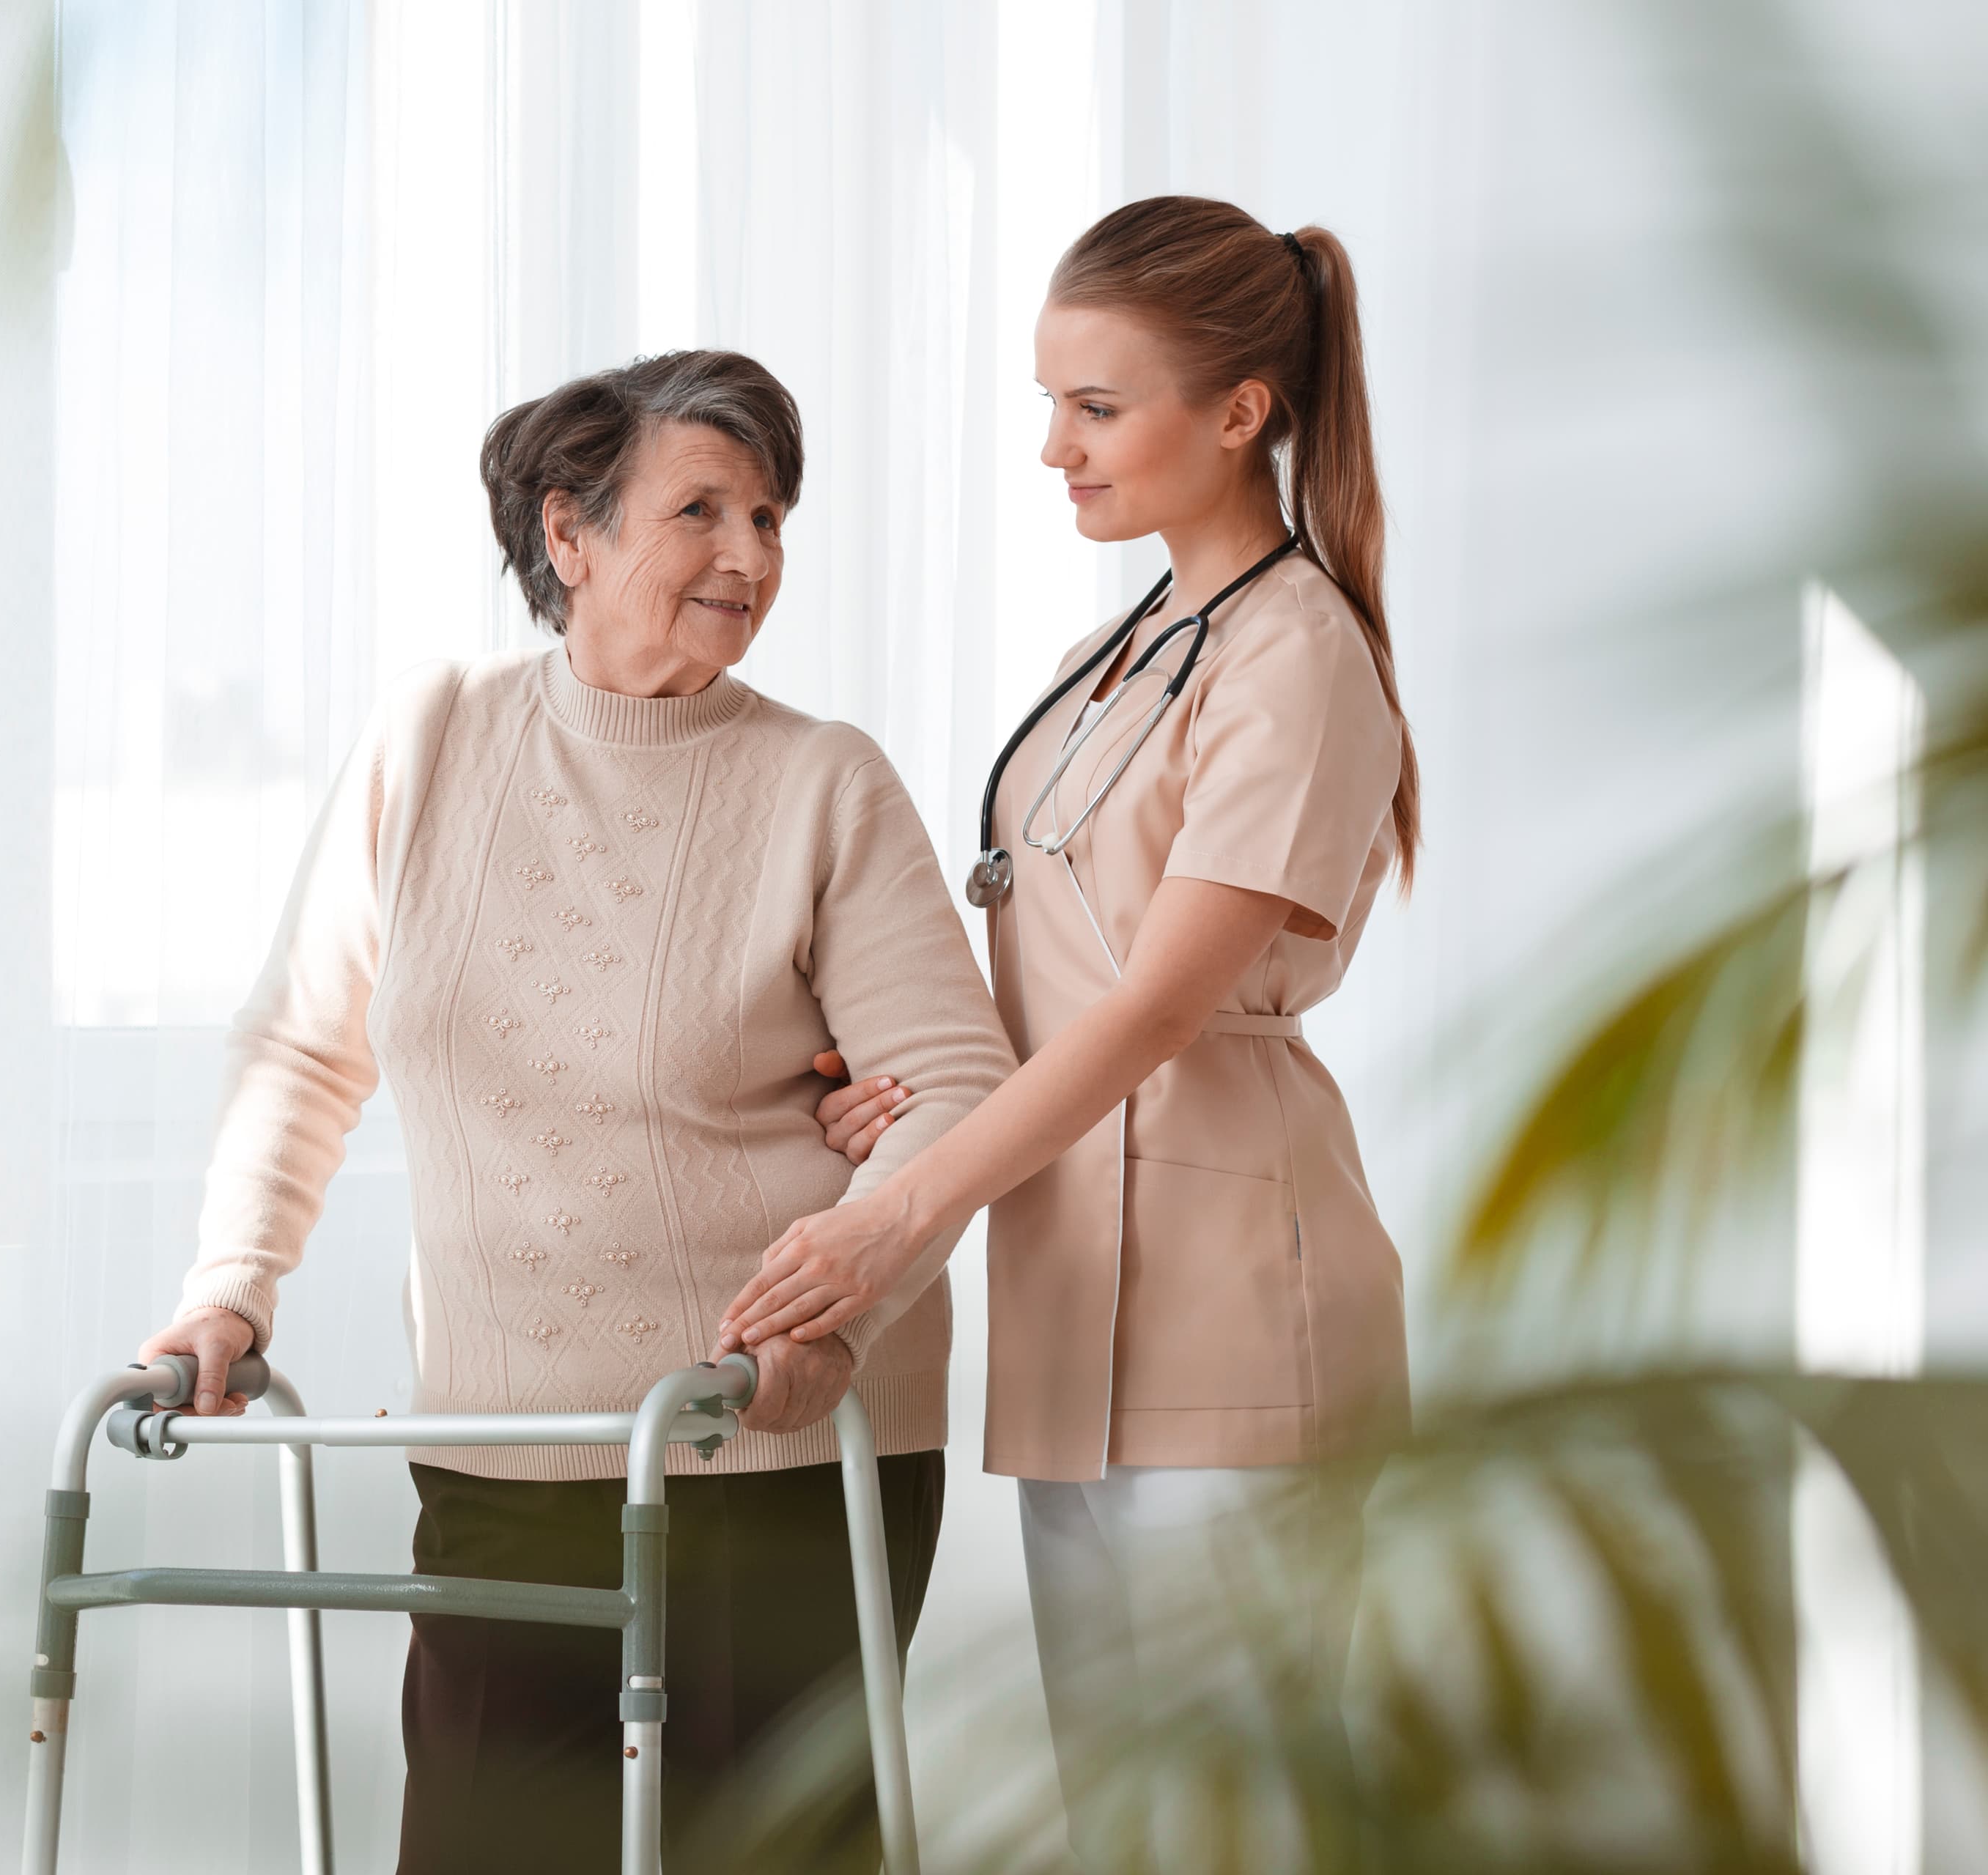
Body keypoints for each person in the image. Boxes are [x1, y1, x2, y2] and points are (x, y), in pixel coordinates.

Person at [140, 350, 1016, 1874]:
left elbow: (958, 1084)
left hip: (773, 1452)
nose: (750, 556)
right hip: (507, 1451)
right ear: (570, 534)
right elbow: (302, 1045)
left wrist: (843, 1301)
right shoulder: (429, 740)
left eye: (769, 515)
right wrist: (229, 1287)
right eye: (702, 510)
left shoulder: (823, 782)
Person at [720, 196, 1417, 1870]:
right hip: (1070, 1295)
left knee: (1238, 1825)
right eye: (1049, 403)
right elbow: (1050, 960)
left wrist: (909, 1206)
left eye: (1095, 406)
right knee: (1120, 1814)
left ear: (1241, 410)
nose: (1054, 448)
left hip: (1238, 1306)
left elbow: (1164, 999)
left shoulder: (1298, 652)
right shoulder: (1104, 659)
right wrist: (901, 1081)